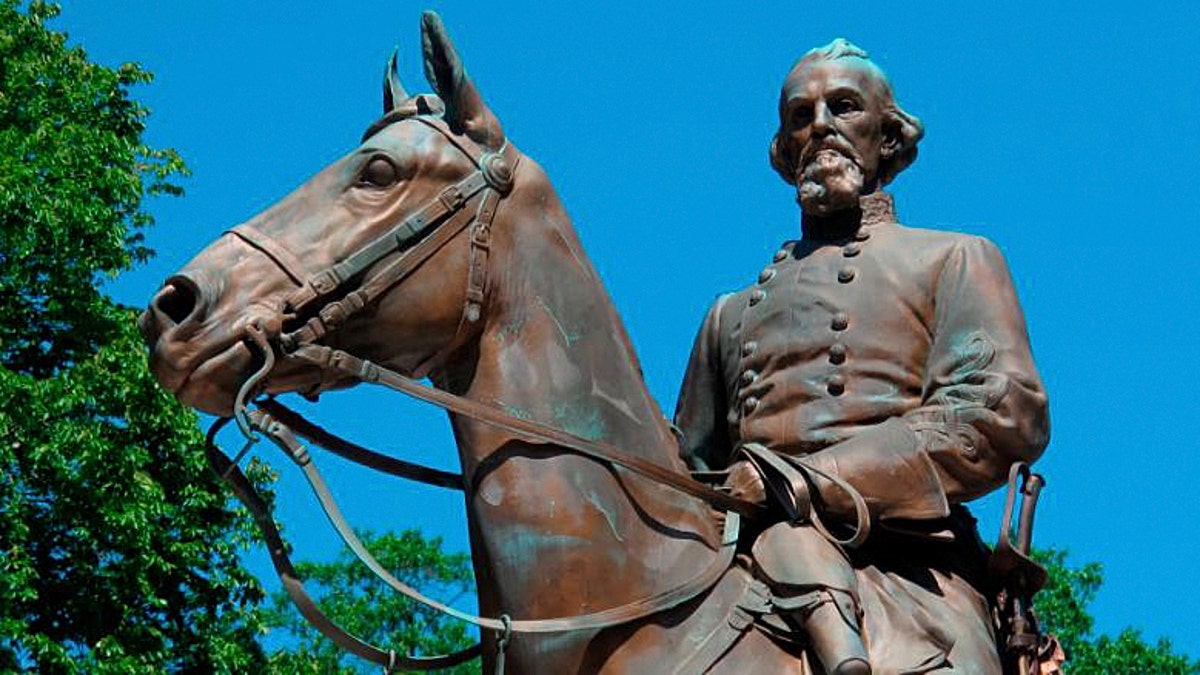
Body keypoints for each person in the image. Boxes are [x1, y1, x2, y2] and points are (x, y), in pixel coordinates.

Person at [674, 39, 1049, 674]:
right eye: (800, 115)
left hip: (911, 573)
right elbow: (685, 476)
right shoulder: (729, 315)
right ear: (785, 149)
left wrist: (801, 480)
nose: (819, 125)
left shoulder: (954, 258)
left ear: (889, 136)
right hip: (748, 568)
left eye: (843, 107)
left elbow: (997, 415)